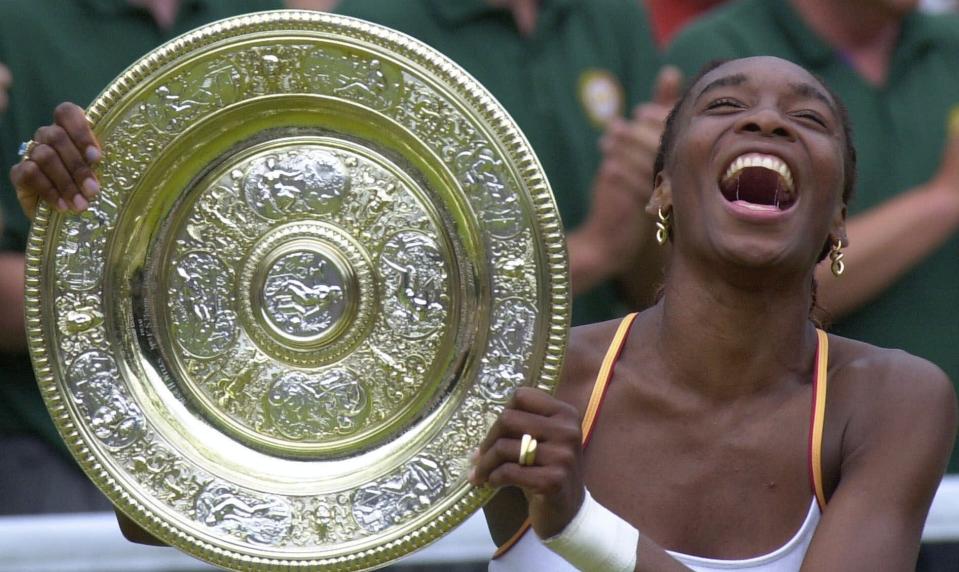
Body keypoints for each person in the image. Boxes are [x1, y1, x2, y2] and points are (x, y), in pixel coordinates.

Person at [14, 55, 957, 570]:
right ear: (662, 193)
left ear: (836, 215)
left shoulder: (891, 402)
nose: (765, 122)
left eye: (809, 116)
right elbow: (179, 517)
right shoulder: (532, 379)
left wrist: (578, 522)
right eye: (724, 103)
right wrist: (93, 226)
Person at [0, 0, 284, 515]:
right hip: (58, 452)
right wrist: (196, 296)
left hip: (253, 450)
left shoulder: (263, 18)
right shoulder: (14, 27)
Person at [662, 0, 959, 474]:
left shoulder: (949, 43)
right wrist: (942, 201)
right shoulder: (723, 49)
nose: (765, 121)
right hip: (803, 472)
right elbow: (735, 282)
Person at [335, 0, 680, 325]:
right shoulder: (372, 29)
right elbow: (376, 295)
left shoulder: (614, 16)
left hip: (600, 373)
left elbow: (650, 288)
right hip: (464, 385)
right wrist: (593, 250)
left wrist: (653, 202)